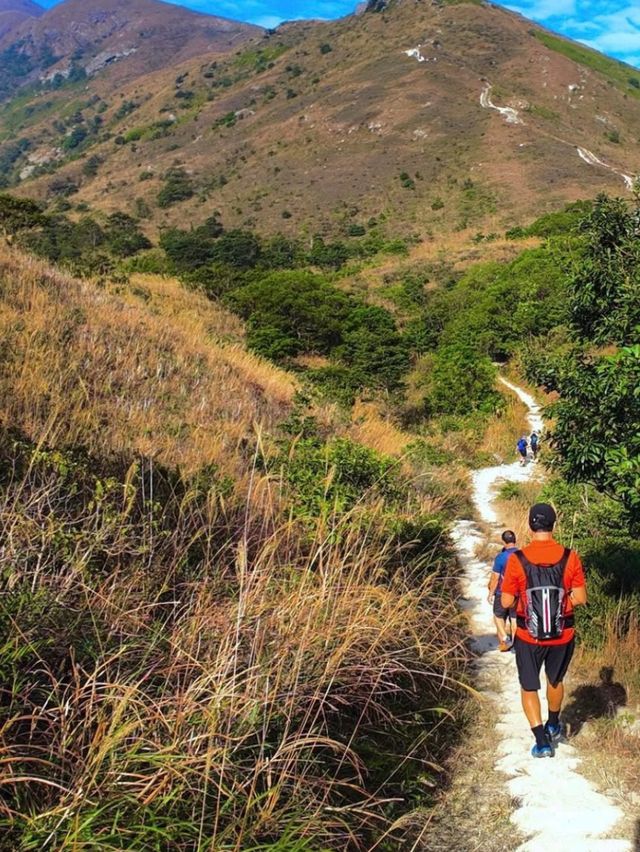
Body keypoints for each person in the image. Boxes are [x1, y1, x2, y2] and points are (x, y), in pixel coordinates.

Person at [501, 503, 587, 758]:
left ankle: (542, 742)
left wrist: (526, 604)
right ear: (553, 524)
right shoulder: (570, 556)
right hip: (563, 634)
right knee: (555, 680)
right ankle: (553, 723)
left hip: (528, 635)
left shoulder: (518, 559)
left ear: (530, 525)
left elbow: (506, 602)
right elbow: (580, 597)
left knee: (529, 686)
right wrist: (560, 605)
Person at [487, 530, 519, 652]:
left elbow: (495, 578)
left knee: (498, 616)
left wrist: (490, 593)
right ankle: (516, 645)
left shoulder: (501, 557)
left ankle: (505, 640)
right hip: (518, 594)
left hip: (502, 593)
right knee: (515, 619)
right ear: (514, 540)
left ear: (504, 542)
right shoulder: (522, 555)